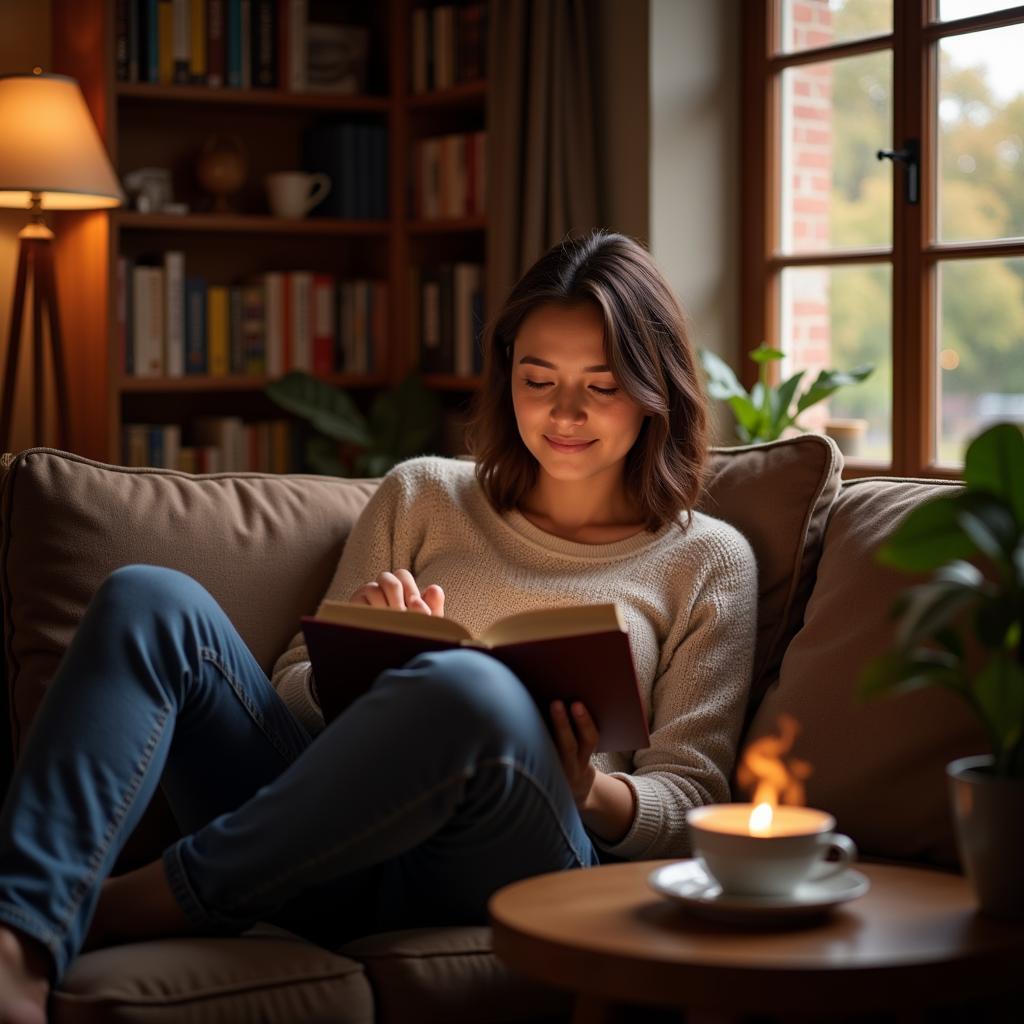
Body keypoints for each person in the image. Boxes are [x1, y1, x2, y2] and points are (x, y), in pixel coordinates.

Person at [0, 230, 757, 1022]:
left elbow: (696, 801)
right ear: (507, 377)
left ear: (653, 386)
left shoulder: (708, 562)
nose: (564, 412)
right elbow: (290, 690)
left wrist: (594, 790)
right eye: (538, 379)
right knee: (146, 597)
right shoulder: (424, 495)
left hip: (511, 858)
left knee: (468, 685)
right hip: (318, 851)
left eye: (600, 386)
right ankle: (17, 940)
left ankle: (144, 899)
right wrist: (349, 665)